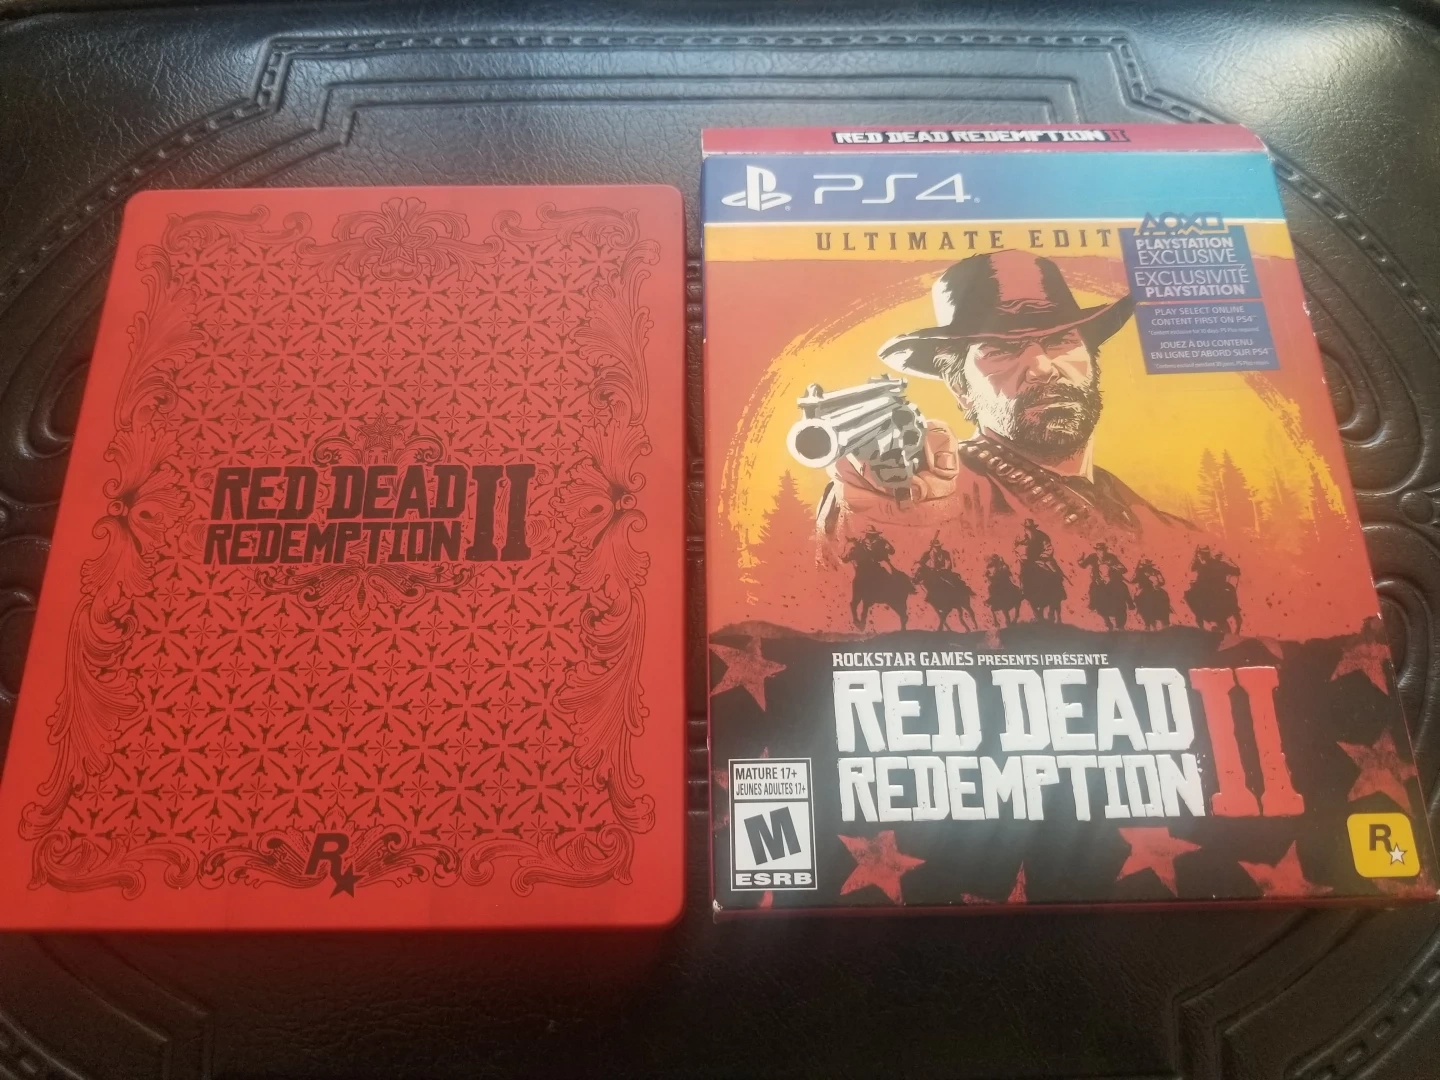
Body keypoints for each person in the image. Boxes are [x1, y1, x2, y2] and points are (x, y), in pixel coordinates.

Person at [823, 249, 1192, 539]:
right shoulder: (936, 491)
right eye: (1001, 349)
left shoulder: (1165, 529)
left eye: (1060, 341)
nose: (1042, 368)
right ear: (960, 387)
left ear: (1092, 361)